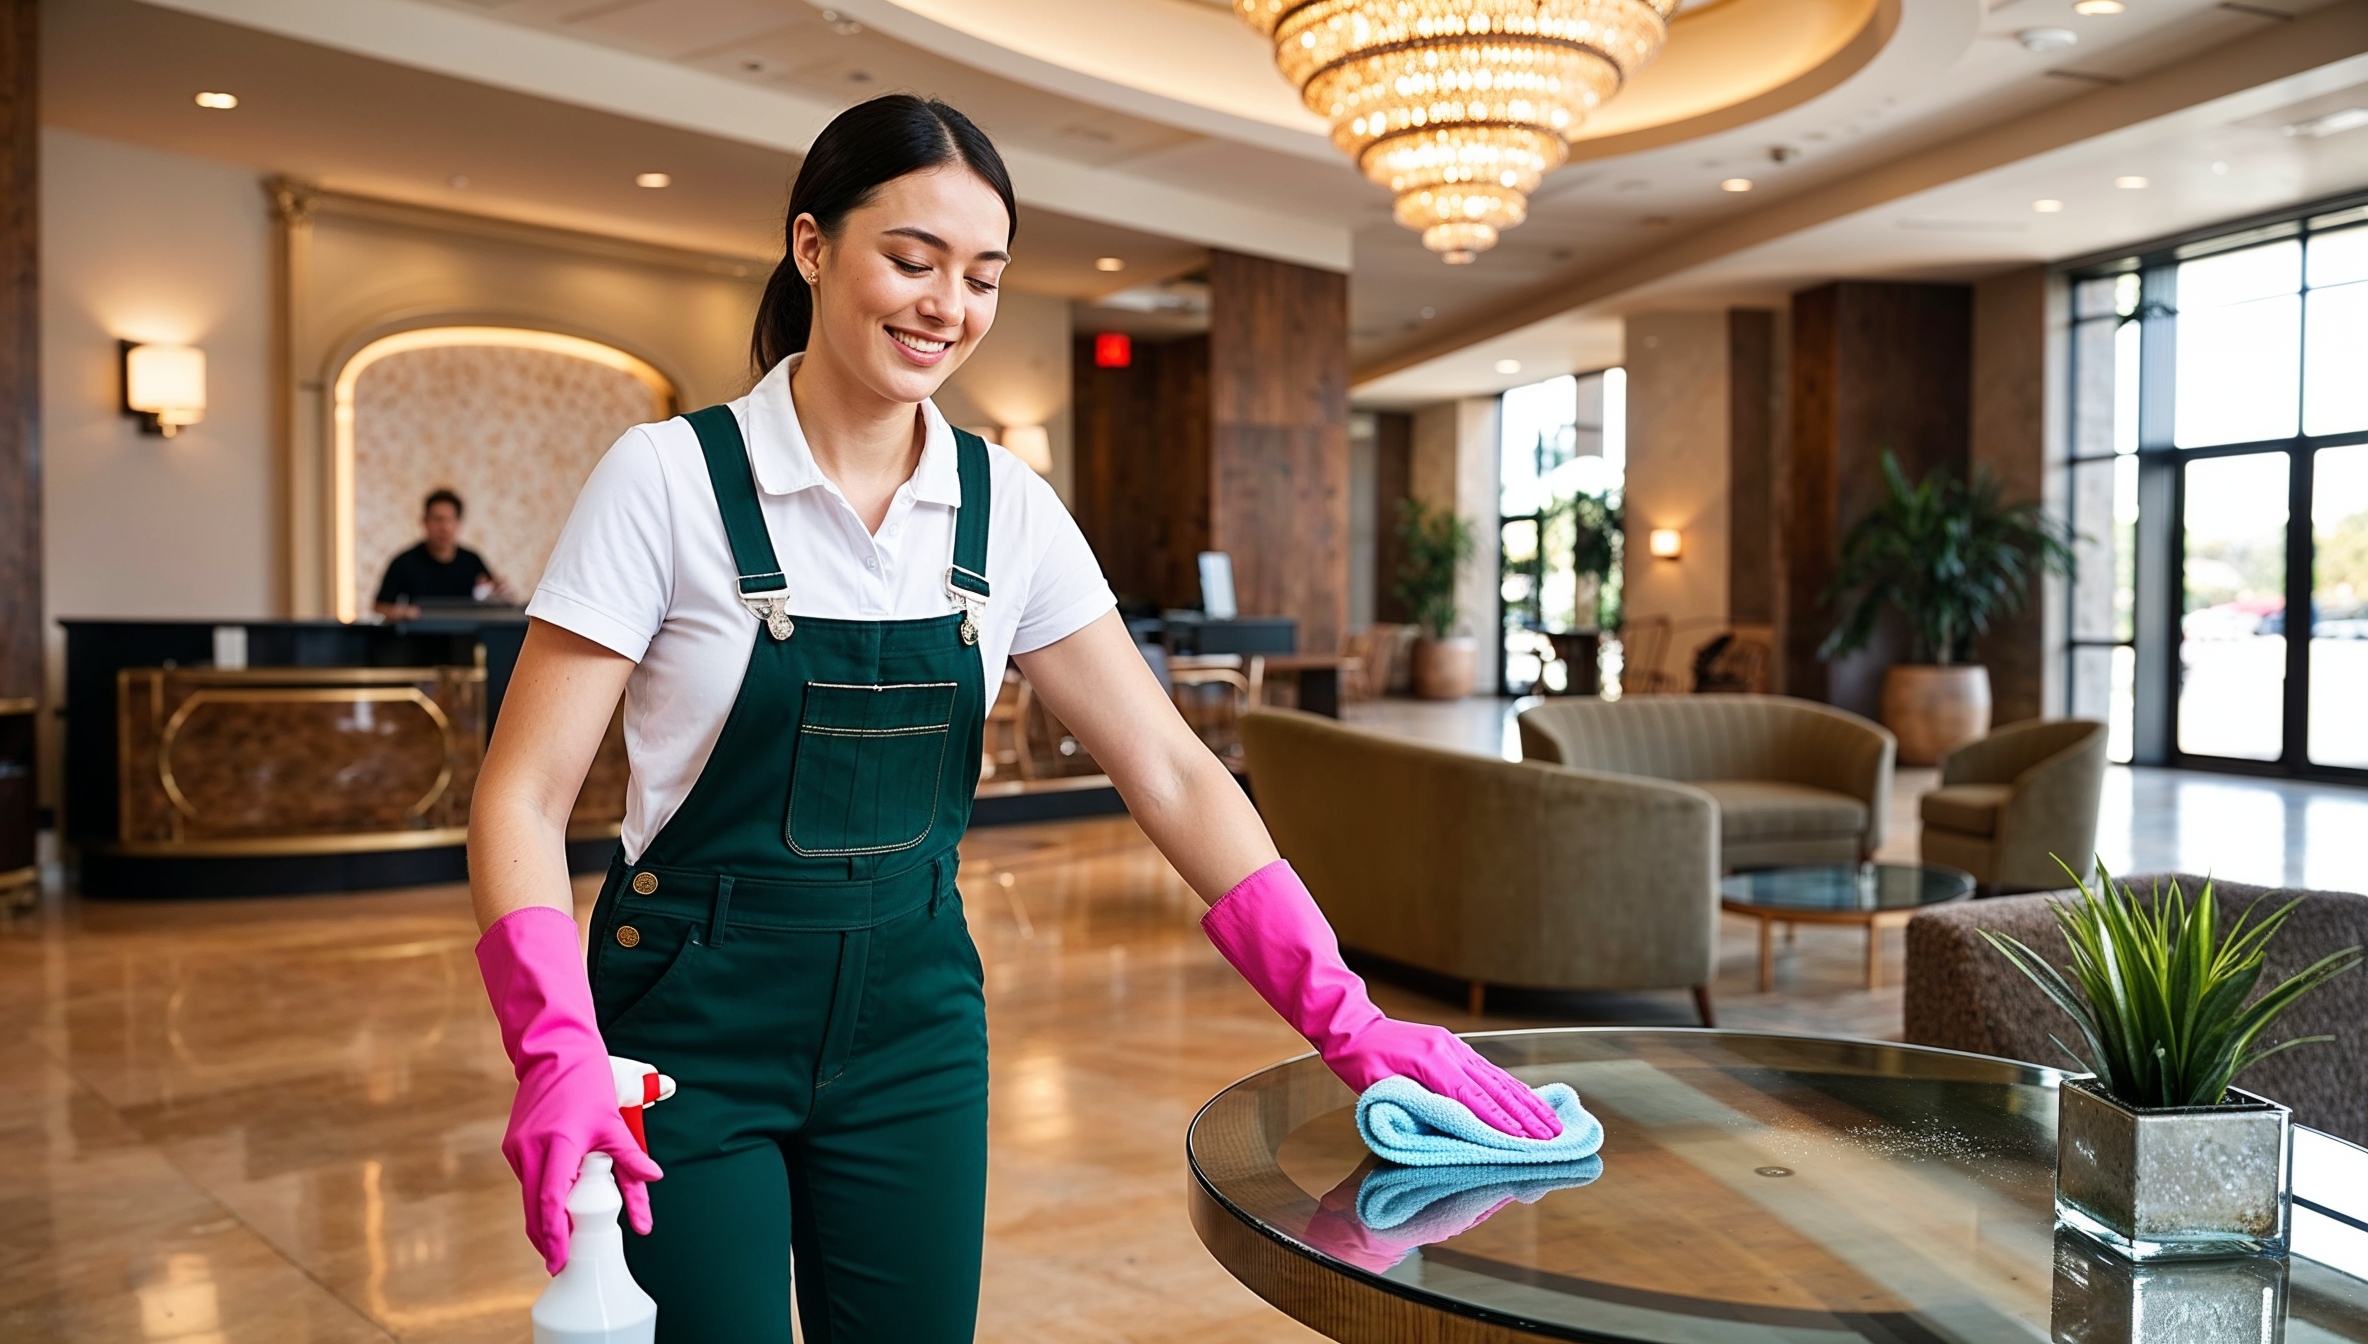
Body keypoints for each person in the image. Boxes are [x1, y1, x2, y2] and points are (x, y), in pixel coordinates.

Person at [466, 94, 1561, 1344]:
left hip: (913, 1026)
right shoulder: (667, 481)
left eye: (981, 277)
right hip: (688, 1025)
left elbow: (1169, 767)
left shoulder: (1006, 510)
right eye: (911, 259)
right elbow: (523, 794)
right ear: (811, 247)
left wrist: (1346, 1018)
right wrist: (551, 1044)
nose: (949, 306)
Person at [374, 488, 513, 619]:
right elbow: (379, 606)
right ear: (425, 522)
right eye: (437, 519)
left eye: (450, 520)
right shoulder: (404, 562)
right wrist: (402, 612)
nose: (444, 527)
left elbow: (491, 594)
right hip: (418, 638)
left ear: (458, 523)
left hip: (465, 637)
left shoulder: (472, 560)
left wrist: (500, 595)